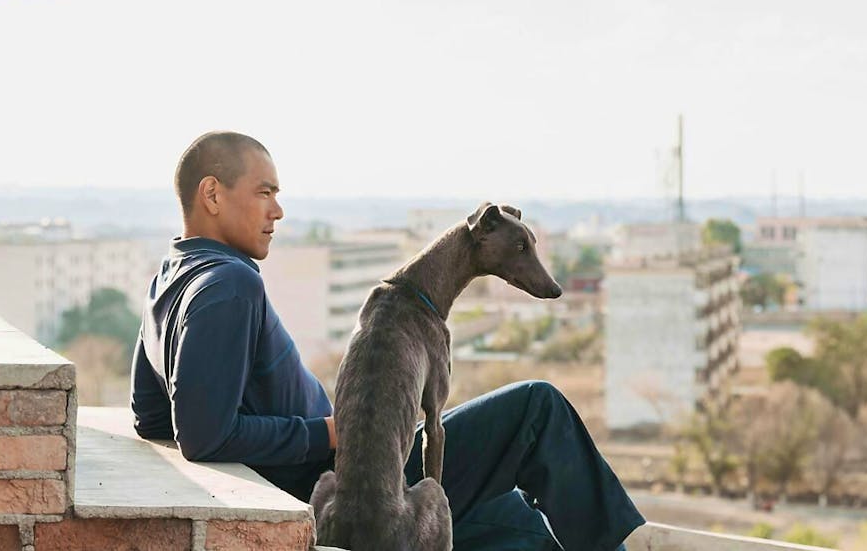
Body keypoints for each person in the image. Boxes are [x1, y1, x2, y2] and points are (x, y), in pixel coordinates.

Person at [130, 131, 645, 550]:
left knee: (516, 525)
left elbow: (150, 417)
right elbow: (202, 436)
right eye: (265, 192)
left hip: (359, 471)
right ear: (213, 194)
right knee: (537, 410)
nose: (278, 210)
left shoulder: (170, 278)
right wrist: (331, 432)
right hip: (349, 483)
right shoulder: (230, 285)